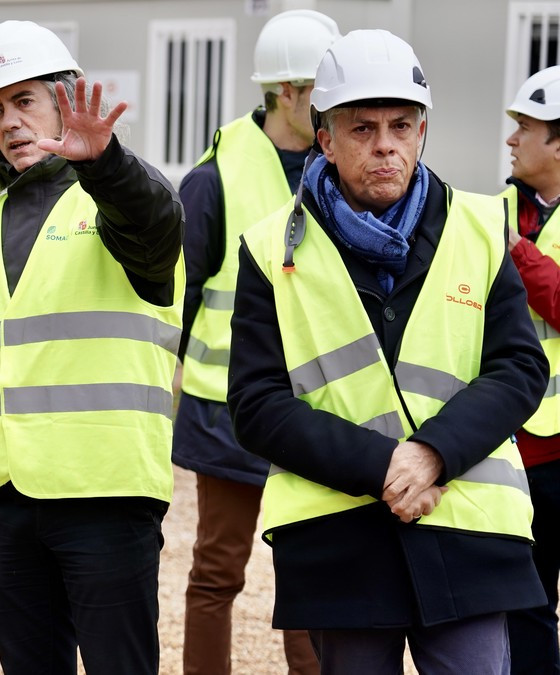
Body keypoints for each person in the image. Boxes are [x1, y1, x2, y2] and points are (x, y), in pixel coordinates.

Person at [228, 29, 548, 675]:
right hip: (341, 537)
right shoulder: (270, 248)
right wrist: (386, 466)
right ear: (325, 138)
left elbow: (520, 366)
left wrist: (433, 454)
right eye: (362, 128)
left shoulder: (480, 229)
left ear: (422, 131)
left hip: (469, 526)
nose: (385, 145)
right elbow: (256, 402)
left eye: (402, 126)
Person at [0, 19, 184, 675]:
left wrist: (104, 163)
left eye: (24, 100)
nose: (9, 122)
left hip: (107, 496)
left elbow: (154, 228)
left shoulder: (121, 198)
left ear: (64, 99)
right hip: (8, 507)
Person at [175, 10, 337, 674]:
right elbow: (178, 303)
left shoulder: (342, 165)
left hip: (318, 408)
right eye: (323, 92)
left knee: (312, 574)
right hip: (228, 412)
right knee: (218, 570)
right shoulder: (212, 180)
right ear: (287, 91)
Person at [503, 65, 560, 675]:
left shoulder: (504, 231)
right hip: (512, 445)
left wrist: (516, 253)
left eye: (526, 126)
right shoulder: (491, 209)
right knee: (526, 602)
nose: (512, 139)